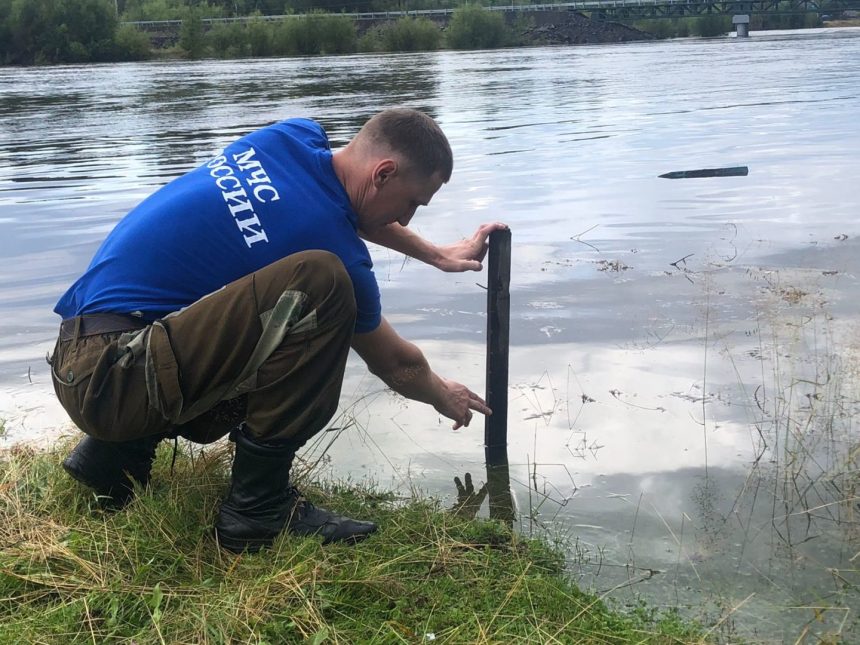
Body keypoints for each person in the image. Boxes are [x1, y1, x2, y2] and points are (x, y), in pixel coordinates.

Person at [50, 108, 505, 553]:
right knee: (322, 287)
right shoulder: (337, 255)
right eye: (411, 204)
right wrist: (444, 394)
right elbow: (395, 363)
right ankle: (258, 509)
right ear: (383, 174)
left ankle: (113, 459)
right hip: (114, 380)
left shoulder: (291, 139)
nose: (406, 221)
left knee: (254, 302)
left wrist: (437, 255)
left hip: (87, 354)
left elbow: (345, 210)